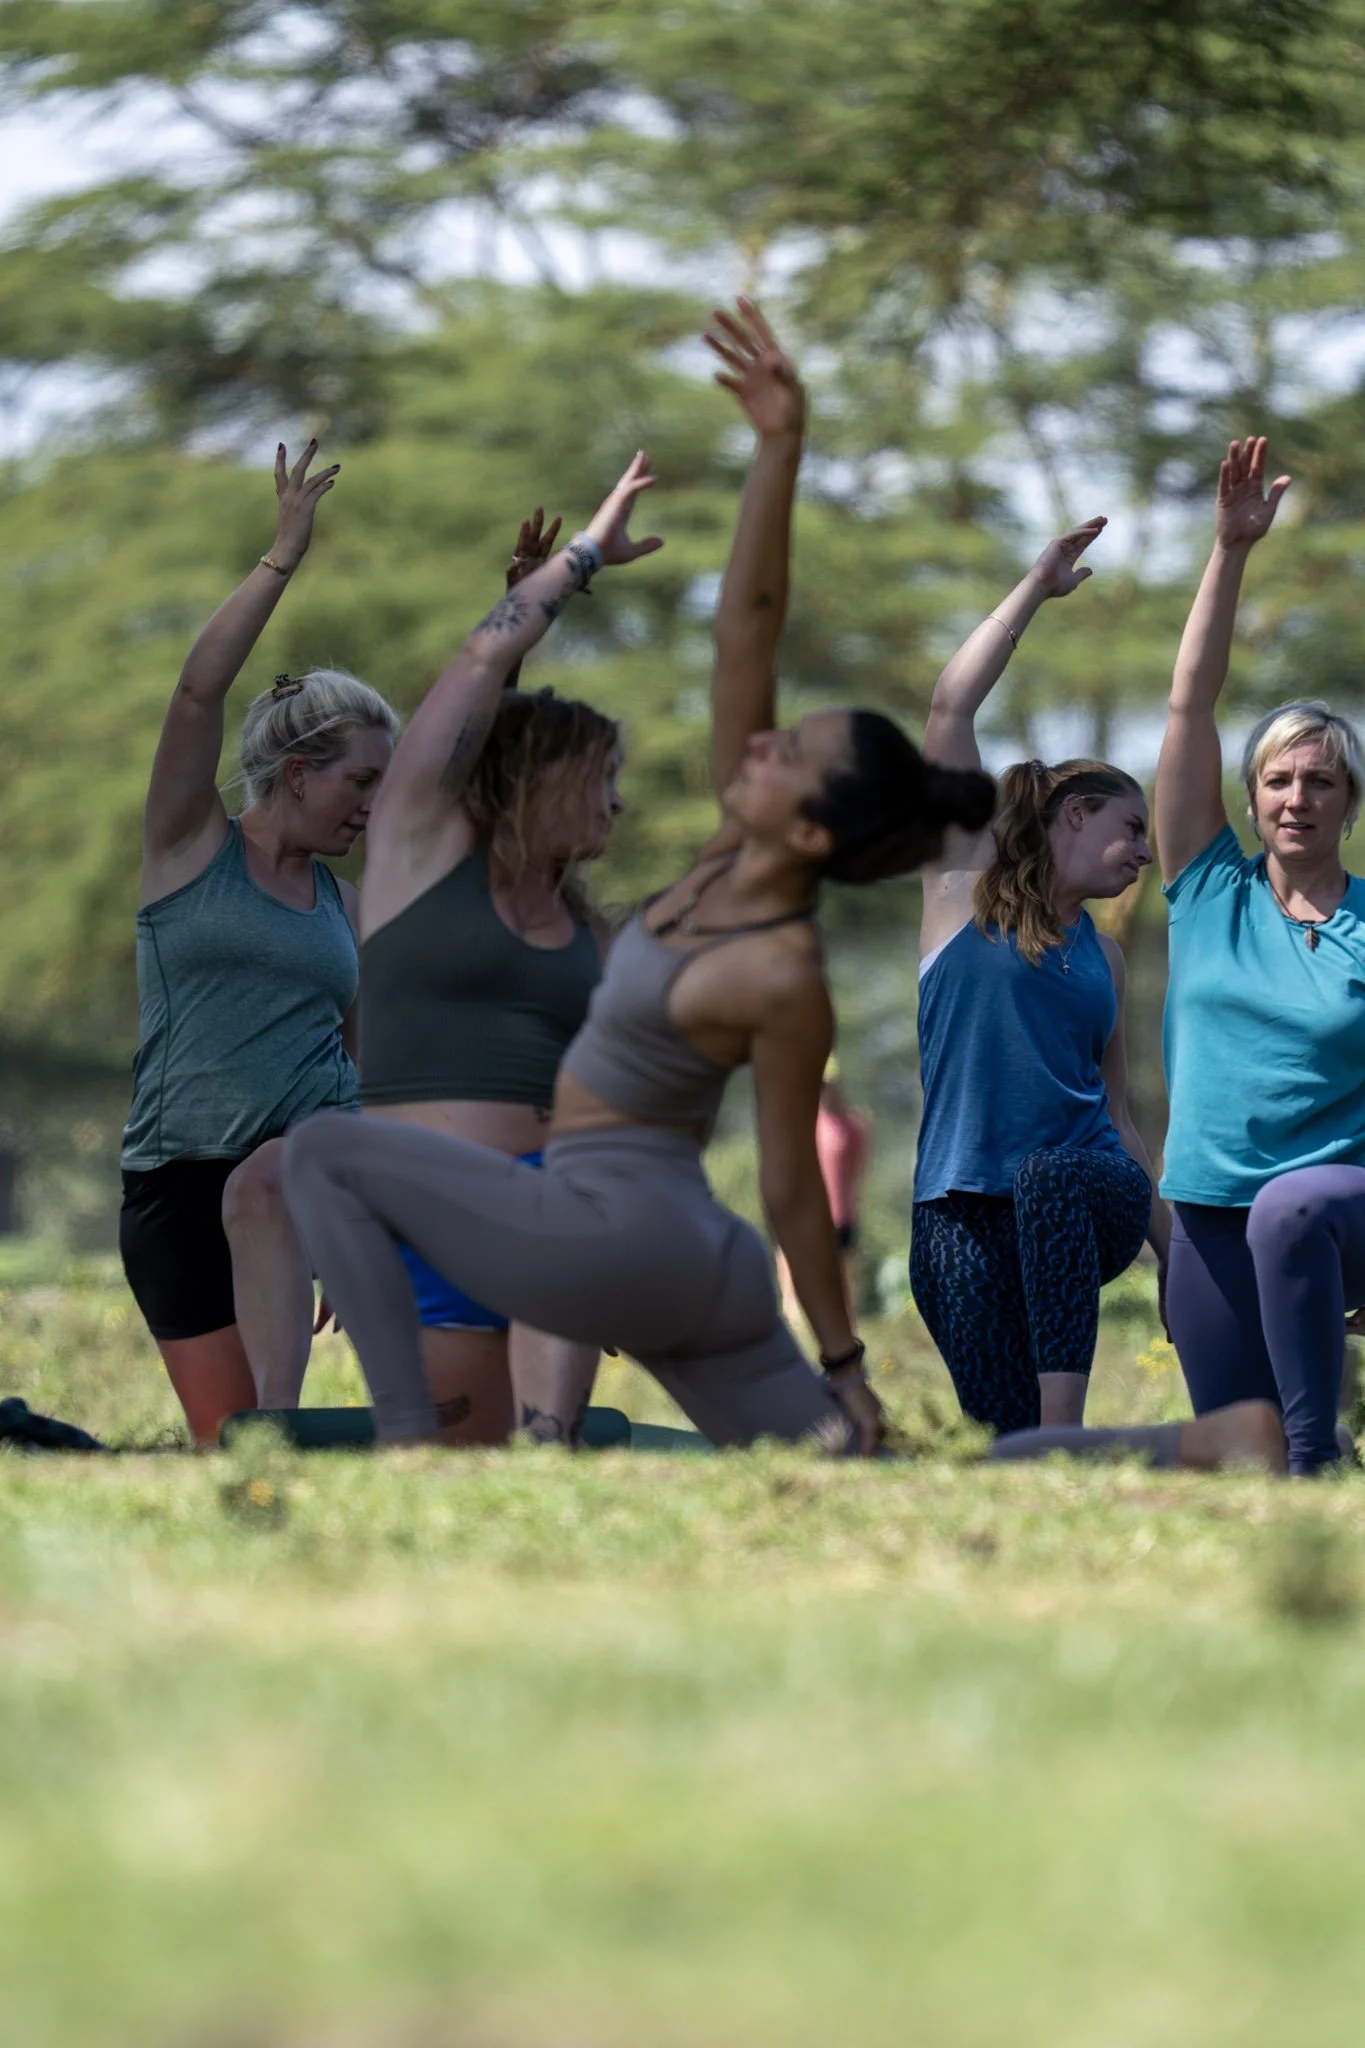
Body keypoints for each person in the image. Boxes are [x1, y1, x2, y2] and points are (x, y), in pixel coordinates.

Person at [283, 305, 1281, 1477]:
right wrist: (847, 1367)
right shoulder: (772, 934)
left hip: (595, 1226)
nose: (754, 746)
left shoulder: (715, 893)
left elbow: (745, 640)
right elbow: (788, 1194)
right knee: (860, 1462)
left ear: (804, 817)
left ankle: (405, 1438)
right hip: (699, 1260)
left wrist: (774, 459)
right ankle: (1193, 1444)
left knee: (318, 1155)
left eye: (783, 749)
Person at [119, 441, 398, 1445]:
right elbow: (196, 695)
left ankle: (290, 1425)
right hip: (169, 1180)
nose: (375, 803)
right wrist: (281, 557)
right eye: (360, 780)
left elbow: (359, 1061)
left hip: (293, 1167)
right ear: (292, 769)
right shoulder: (190, 847)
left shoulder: (345, 903)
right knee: (230, 1458)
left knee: (269, 1182)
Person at [356, 502, 619, 1445]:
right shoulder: (414, 858)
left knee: (537, 1470)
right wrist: (579, 563)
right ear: (538, 784)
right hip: (428, 1212)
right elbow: (474, 685)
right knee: (446, 1469)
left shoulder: (582, 923)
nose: (616, 804)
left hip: (554, 1210)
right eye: (598, 779)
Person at [911, 520, 1170, 1435]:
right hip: (956, 1213)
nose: (1144, 851)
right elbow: (949, 709)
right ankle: (1044, 1446)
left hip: (1087, 1193)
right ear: (1073, 815)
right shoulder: (958, 891)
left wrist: (1170, 1252)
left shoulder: (1106, 954)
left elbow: (1119, 1112)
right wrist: (1035, 587)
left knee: (1056, 1174)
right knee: (1004, 1437)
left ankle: (1074, 1432)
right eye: (1131, 828)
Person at [1155, 435, 1365, 1474]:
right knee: (1249, 1462)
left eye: (1321, 781)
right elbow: (1189, 705)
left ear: (1349, 804)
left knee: (1295, 1208)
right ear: (1249, 799)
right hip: (1210, 1218)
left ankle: (1325, 1448)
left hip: (1338, 1204)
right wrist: (1229, 552)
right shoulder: (1205, 890)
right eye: (1279, 780)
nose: (1297, 798)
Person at [778, 1059, 870, 1327]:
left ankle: (846, 1324)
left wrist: (855, 1201)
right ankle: (794, 1318)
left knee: (842, 1271)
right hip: (807, 1209)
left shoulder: (852, 1125)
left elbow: (858, 1169)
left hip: (841, 1212)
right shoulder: (803, 1123)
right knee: (793, 1261)